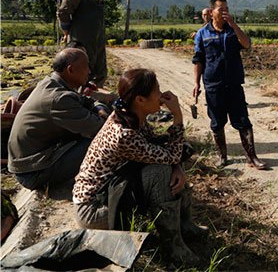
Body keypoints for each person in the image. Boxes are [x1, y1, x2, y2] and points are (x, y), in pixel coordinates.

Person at [73, 69, 206, 265]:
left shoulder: (131, 115)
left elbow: (165, 148)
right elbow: (169, 155)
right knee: (160, 171)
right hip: (95, 208)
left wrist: (178, 166)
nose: (161, 95)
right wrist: (177, 115)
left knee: (176, 155)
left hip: (112, 191)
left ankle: (185, 225)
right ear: (140, 100)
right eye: (157, 90)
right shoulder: (125, 133)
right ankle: (173, 248)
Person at [7, 48, 106, 191]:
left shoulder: (52, 82)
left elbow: (86, 101)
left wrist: (98, 108)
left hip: (30, 163)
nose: (89, 71)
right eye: (86, 67)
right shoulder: (58, 98)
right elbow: (99, 129)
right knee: (103, 143)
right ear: (70, 70)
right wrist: (103, 110)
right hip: (33, 172)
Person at [192, 0, 267, 169]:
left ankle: (252, 157)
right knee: (217, 122)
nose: (225, 12)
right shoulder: (202, 34)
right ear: (211, 12)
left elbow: (247, 44)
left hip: (233, 84)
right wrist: (196, 83)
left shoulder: (233, 31)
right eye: (221, 9)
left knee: (243, 120)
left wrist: (234, 25)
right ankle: (222, 157)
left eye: (227, 9)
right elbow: (198, 60)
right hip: (213, 85)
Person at [57, 0, 107, 87]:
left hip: (97, 39)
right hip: (80, 40)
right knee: (82, 72)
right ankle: (78, 101)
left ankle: (94, 100)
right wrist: (66, 32)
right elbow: (63, 12)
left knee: (100, 71)